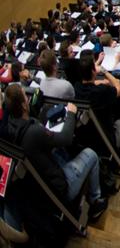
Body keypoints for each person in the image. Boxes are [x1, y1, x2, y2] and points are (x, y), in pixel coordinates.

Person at [3, 84, 109, 218]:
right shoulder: (33, 132)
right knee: (91, 154)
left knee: (60, 150)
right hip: (60, 189)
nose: (28, 98)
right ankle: (95, 202)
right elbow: (66, 138)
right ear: (24, 105)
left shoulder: (11, 126)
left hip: (43, 187)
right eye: (25, 96)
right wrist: (71, 113)